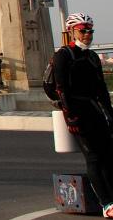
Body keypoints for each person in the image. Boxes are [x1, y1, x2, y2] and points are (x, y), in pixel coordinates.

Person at [54, 12, 113, 218]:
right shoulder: (63, 55)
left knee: (108, 155)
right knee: (94, 157)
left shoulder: (92, 57)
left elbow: (101, 89)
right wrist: (70, 117)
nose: (87, 34)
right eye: (83, 31)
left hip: (94, 109)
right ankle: (107, 203)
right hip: (77, 112)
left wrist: (110, 114)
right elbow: (61, 88)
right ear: (72, 31)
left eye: (90, 31)